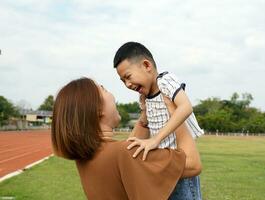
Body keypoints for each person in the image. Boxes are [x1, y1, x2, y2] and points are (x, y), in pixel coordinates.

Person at [51, 77, 202, 200]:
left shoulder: (87, 158)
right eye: (103, 89)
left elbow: (125, 153)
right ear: (97, 109)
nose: (111, 94)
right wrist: (175, 113)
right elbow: (193, 165)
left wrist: (145, 115)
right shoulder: (123, 153)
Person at [114, 41, 204, 199]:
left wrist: (155, 139)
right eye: (123, 81)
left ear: (147, 65)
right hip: (165, 164)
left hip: (180, 162)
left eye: (128, 77)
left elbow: (186, 106)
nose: (127, 84)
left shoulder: (164, 81)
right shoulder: (145, 96)